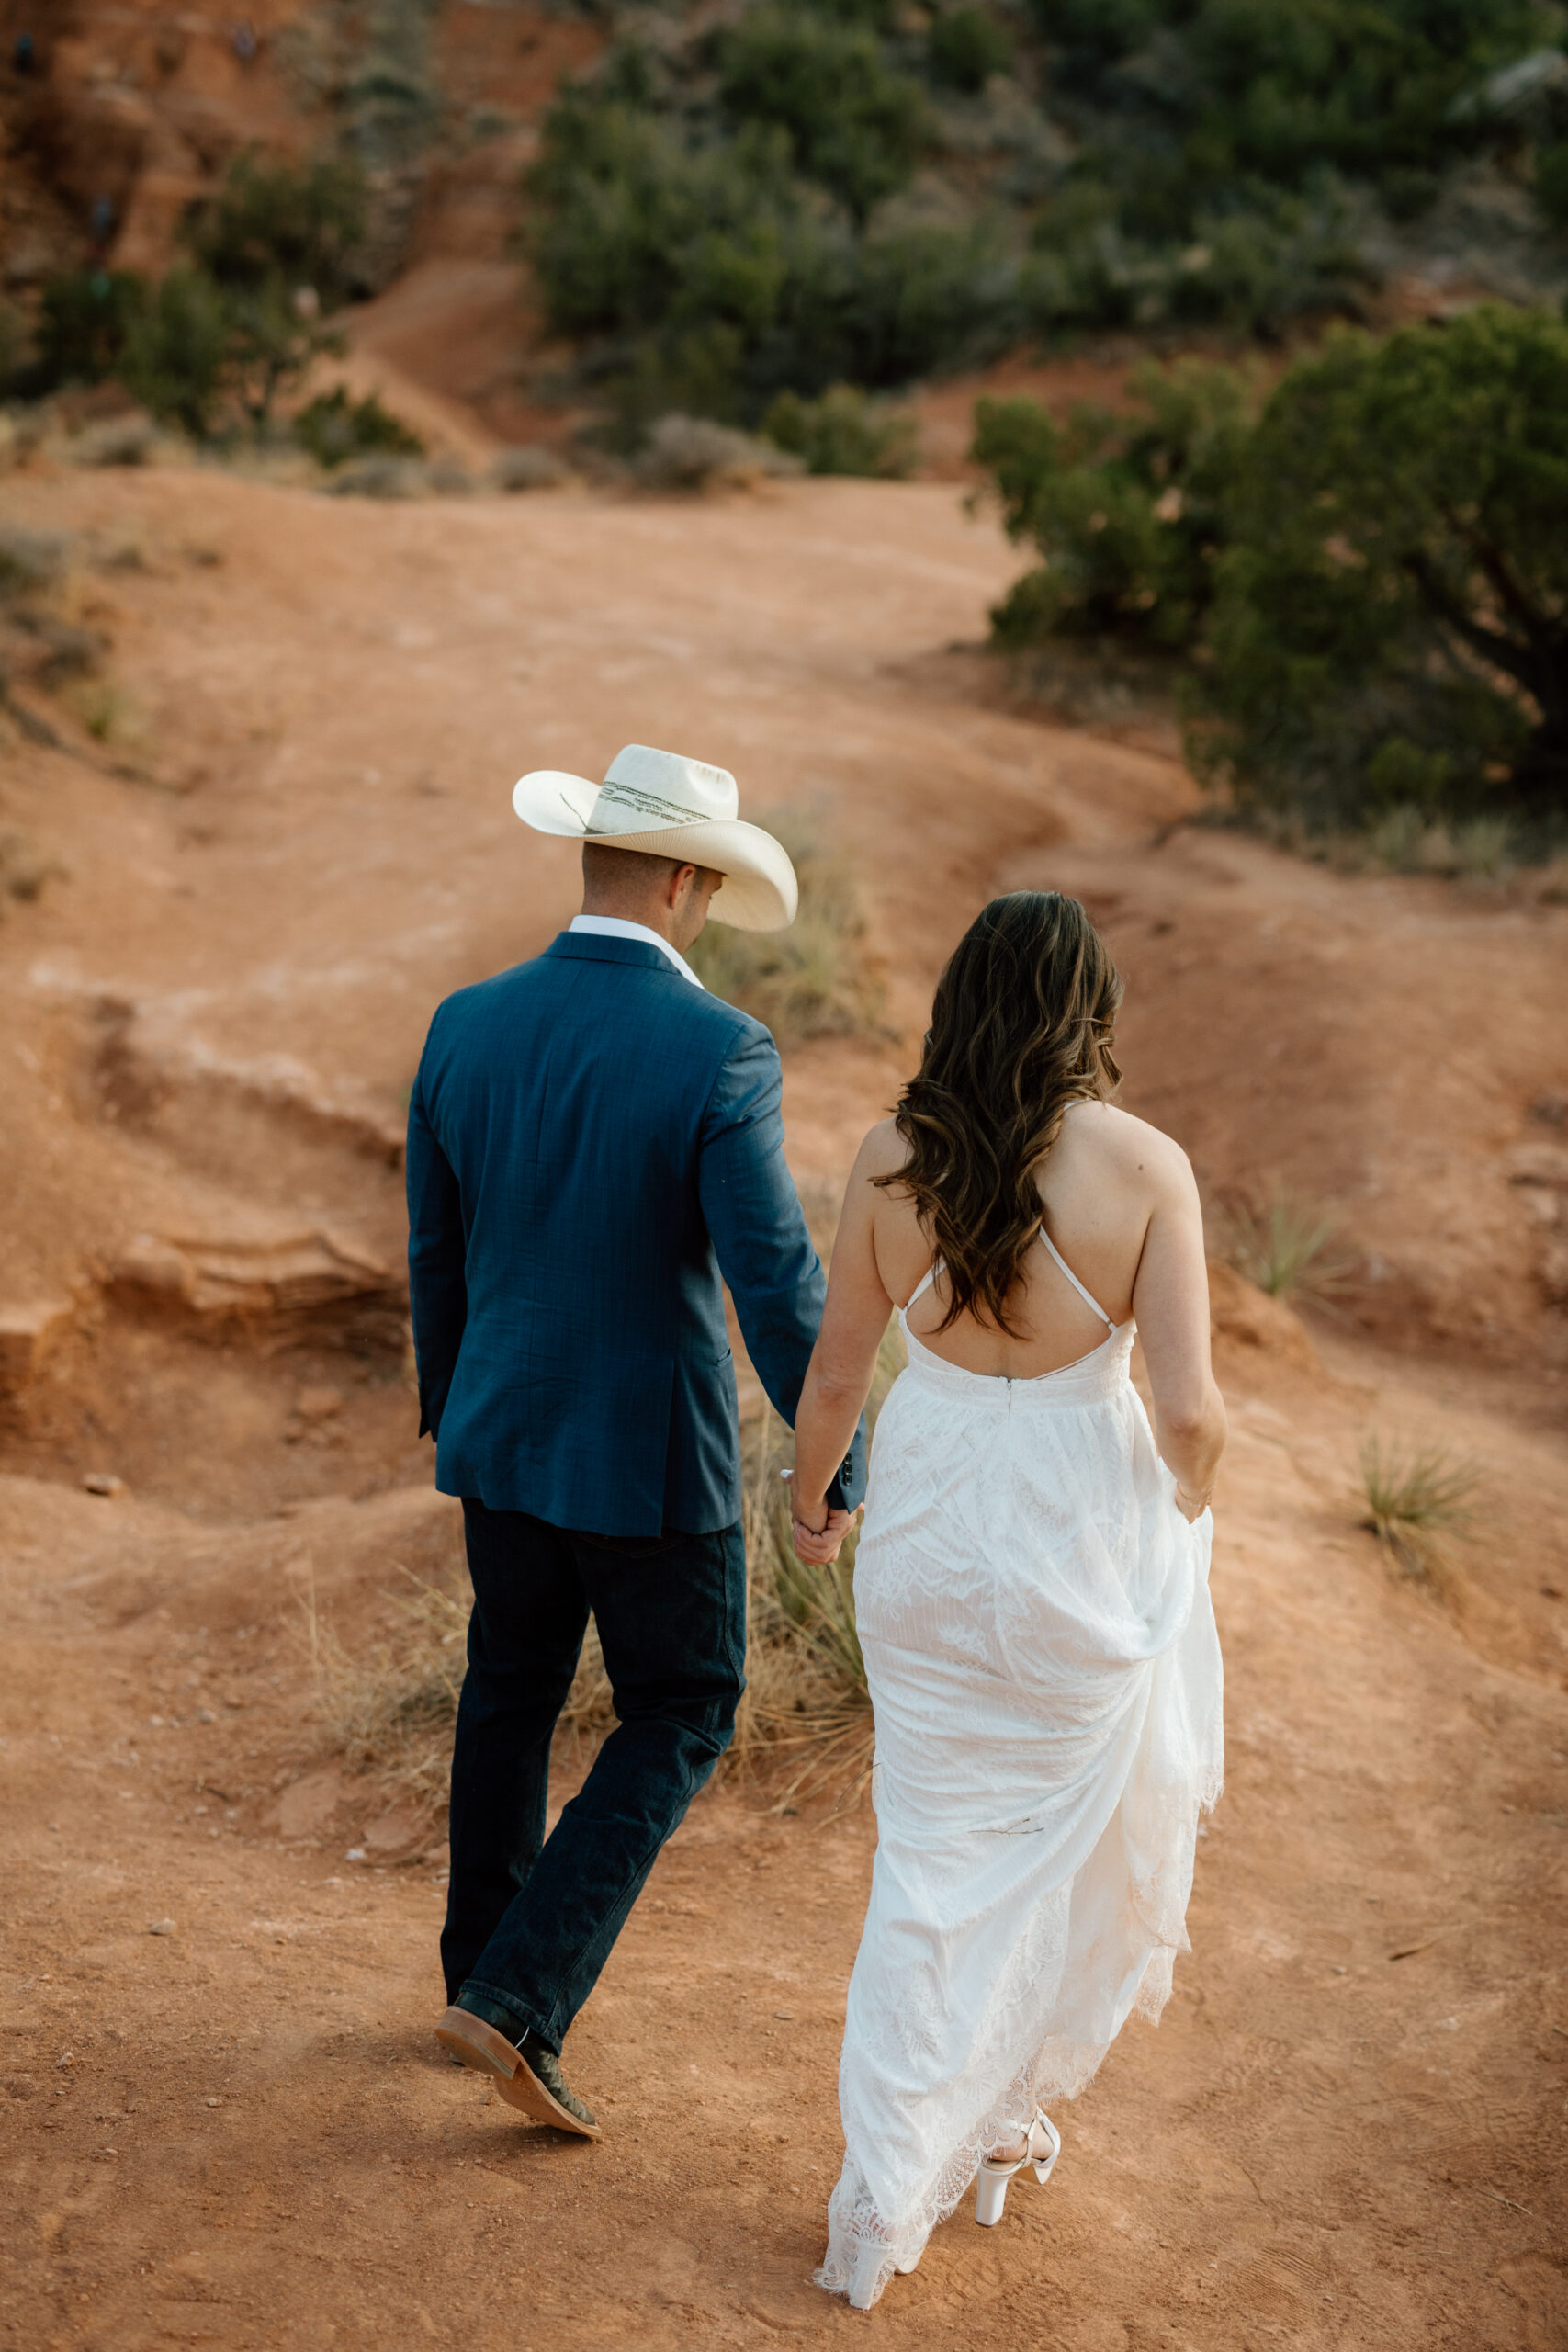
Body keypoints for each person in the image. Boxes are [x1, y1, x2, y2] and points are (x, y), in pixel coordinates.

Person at [406, 743, 865, 2138]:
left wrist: (459, 1403)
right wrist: (837, 1457)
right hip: (652, 1461)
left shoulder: (462, 1023)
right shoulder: (719, 1049)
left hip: (501, 1433)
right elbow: (774, 1282)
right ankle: (520, 1991)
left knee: (512, 1688)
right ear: (683, 879)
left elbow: (436, 1252)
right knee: (683, 1705)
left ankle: (473, 1971)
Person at [788, 890, 1226, 2309]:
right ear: (1088, 1008)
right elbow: (1194, 1413)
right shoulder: (1146, 1168)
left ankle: (899, 2173)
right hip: (1073, 1544)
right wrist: (1190, 1514)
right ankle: (995, 2122)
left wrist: (810, 1501)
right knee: (1061, 1849)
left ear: (961, 999)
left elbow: (839, 1374)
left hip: (928, 1530)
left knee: (928, 1864)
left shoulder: (889, 1159)